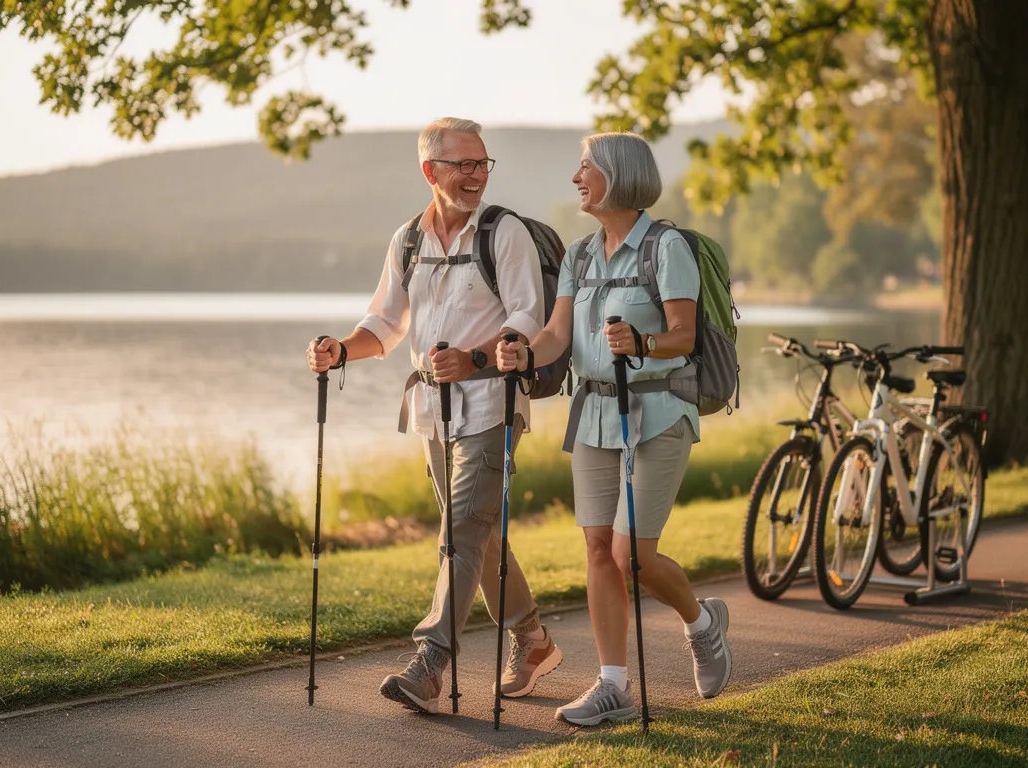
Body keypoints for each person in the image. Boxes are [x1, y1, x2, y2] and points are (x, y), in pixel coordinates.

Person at [308, 117, 562, 714]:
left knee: (462, 528)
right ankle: (533, 641)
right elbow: (385, 323)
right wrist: (341, 350)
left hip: (493, 405)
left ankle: (429, 666)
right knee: (477, 530)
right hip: (432, 412)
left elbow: (527, 318)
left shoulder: (505, 233)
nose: (476, 175)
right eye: (462, 165)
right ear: (430, 170)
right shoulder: (408, 240)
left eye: (482, 163)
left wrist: (474, 360)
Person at [497, 132, 733, 727]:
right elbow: (557, 334)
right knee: (599, 548)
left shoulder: (666, 247)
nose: (577, 177)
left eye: (587, 167)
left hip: (659, 413)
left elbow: (683, 334)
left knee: (633, 555)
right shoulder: (579, 255)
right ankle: (613, 687)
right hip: (595, 415)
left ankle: (702, 623)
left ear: (619, 175)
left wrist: (642, 342)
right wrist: (524, 352)